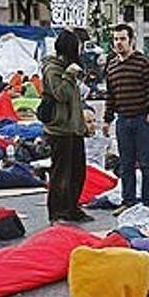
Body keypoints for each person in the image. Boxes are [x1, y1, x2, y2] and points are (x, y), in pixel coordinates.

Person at [103, 23, 149, 214]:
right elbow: (110, 95)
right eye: (116, 39)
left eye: (122, 39)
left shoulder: (144, 62)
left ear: (131, 40)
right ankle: (128, 201)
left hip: (144, 119)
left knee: (146, 163)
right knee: (126, 164)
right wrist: (107, 118)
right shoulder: (111, 65)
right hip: (123, 120)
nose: (118, 43)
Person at [43, 31, 92, 223]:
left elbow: (75, 99)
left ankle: (72, 207)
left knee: (77, 172)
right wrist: (69, 76)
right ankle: (56, 212)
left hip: (74, 127)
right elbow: (61, 95)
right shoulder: (52, 70)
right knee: (60, 173)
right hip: (60, 128)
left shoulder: (66, 67)